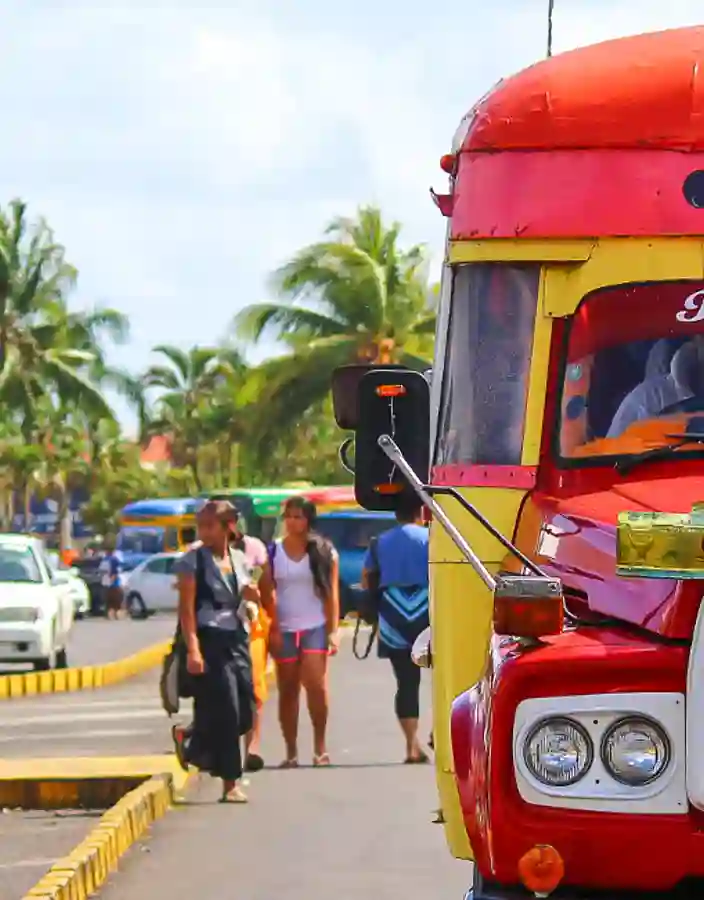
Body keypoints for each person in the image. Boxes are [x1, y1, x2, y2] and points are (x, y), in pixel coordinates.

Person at [171, 500, 259, 803]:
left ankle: (191, 738)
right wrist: (194, 650)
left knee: (246, 708)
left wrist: (252, 598)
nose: (205, 532)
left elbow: (249, 597)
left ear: (228, 527)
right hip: (209, 639)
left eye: (211, 526)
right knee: (227, 710)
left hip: (237, 636)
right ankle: (230, 782)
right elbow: (186, 611)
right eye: (202, 526)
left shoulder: (239, 559)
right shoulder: (191, 562)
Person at [268, 496, 340, 768]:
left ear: (308, 519)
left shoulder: (323, 552)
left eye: (298, 516)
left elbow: (331, 594)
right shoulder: (273, 552)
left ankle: (320, 746)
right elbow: (267, 589)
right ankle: (291, 751)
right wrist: (273, 626)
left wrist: (333, 631)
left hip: (315, 626)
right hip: (284, 628)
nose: (292, 521)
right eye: (289, 516)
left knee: (316, 685)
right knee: (287, 690)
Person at [361, 496, 430, 763]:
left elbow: (366, 579)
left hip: (393, 613)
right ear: (420, 511)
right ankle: (439, 733)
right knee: (443, 679)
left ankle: (411, 745)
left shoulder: (380, 542)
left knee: (406, 682)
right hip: (428, 611)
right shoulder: (430, 538)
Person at [230, 512, 273, 773]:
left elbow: (267, 588)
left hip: (253, 628)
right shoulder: (200, 553)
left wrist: (274, 623)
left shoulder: (254, 548)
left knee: (255, 690)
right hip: (219, 630)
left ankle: (252, 748)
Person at [99, 538, 125, 620]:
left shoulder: (106, 559)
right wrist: (113, 579)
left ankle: (109, 614)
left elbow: (103, 571)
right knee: (116, 599)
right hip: (112, 583)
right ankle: (114, 614)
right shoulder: (113, 559)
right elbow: (116, 571)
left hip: (107, 582)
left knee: (109, 599)